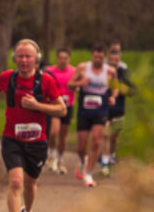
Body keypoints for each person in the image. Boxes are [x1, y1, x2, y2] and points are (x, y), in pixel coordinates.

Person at [0, 39, 66, 212]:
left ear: (36, 59)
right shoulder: (7, 77)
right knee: (16, 182)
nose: (24, 60)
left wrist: (37, 105)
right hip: (11, 138)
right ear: (15, 58)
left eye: (28, 56)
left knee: (30, 184)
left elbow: (61, 109)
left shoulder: (46, 81)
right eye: (20, 56)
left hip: (37, 142)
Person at [68, 43, 116, 187]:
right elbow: (70, 84)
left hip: (101, 109)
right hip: (84, 109)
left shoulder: (110, 71)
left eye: (100, 57)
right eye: (95, 57)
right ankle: (83, 160)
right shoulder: (83, 68)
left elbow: (115, 87)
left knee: (96, 141)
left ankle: (88, 174)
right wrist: (81, 83)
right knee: (81, 147)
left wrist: (113, 96)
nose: (98, 60)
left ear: (104, 57)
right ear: (92, 56)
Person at [101, 42, 136, 175]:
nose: (113, 62)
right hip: (104, 109)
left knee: (114, 138)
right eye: (111, 60)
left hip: (119, 108)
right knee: (105, 134)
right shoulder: (102, 72)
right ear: (108, 60)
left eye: (116, 60)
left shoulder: (124, 73)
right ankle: (105, 163)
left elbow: (133, 91)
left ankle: (111, 155)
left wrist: (119, 88)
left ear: (119, 60)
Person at [44, 47, 76, 174]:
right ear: (57, 58)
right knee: (53, 132)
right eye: (60, 58)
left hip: (68, 107)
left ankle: (61, 160)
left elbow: (79, 84)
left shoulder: (74, 71)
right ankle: (52, 155)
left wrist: (77, 87)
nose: (63, 61)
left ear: (69, 59)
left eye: (65, 58)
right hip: (54, 106)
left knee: (63, 137)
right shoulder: (49, 71)